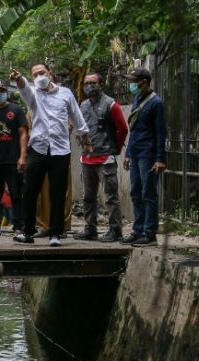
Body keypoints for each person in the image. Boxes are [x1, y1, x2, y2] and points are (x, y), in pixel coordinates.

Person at [11, 63, 91, 247]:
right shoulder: (32, 94)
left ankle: (55, 233)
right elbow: (23, 87)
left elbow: (77, 118)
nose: (39, 77)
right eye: (35, 75)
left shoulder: (65, 93)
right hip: (38, 149)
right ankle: (27, 232)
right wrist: (18, 78)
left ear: (50, 73)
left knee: (57, 193)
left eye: (42, 73)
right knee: (30, 191)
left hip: (60, 150)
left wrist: (86, 141)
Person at [73, 72, 129, 242]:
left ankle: (115, 230)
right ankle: (90, 228)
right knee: (88, 196)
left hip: (105, 157)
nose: (89, 86)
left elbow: (123, 129)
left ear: (101, 84)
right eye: (86, 83)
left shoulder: (111, 104)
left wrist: (116, 149)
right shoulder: (82, 105)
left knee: (111, 196)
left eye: (93, 83)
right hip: (87, 158)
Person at [121, 68, 166, 247]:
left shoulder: (156, 103)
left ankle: (150, 234)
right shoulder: (137, 99)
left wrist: (160, 158)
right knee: (135, 193)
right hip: (136, 153)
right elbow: (134, 130)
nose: (131, 84)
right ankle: (138, 230)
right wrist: (128, 153)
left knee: (149, 194)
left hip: (149, 154)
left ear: (144, 81)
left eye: (134, 81)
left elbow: (161, 133)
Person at [0, 80, 28, 238]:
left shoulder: (16, 110)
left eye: (2, 90)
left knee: (16, 194)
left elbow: (23, 133)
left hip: (12, 160)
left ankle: (18, 227)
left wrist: (23, 156)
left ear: (6, 92)